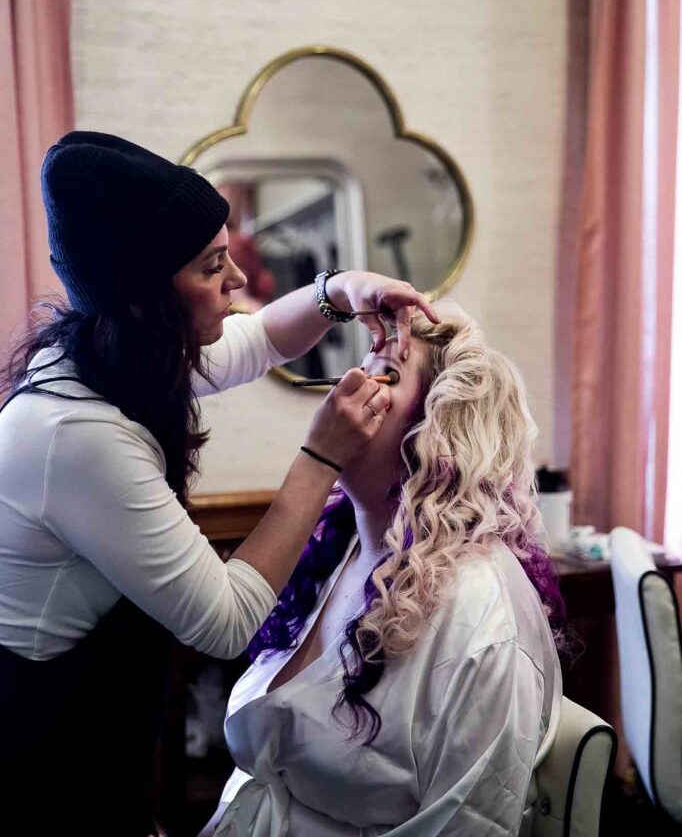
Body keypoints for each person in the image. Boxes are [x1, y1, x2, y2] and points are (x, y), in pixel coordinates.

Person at [0, 131, 438, 837]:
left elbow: (261, 339)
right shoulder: (72, 433)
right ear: (145, 294)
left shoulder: (120, 351)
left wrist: (340, 290)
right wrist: (320, 457)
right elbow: (227, 620)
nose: (238, 278)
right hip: (41, 750)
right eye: (211, 267)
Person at [201, 303, 564, 837]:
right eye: (362, 366)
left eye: (386, 376)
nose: (352, 385)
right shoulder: (340, 551)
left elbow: (470, 824)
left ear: (437, 431)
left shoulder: (479, 611)